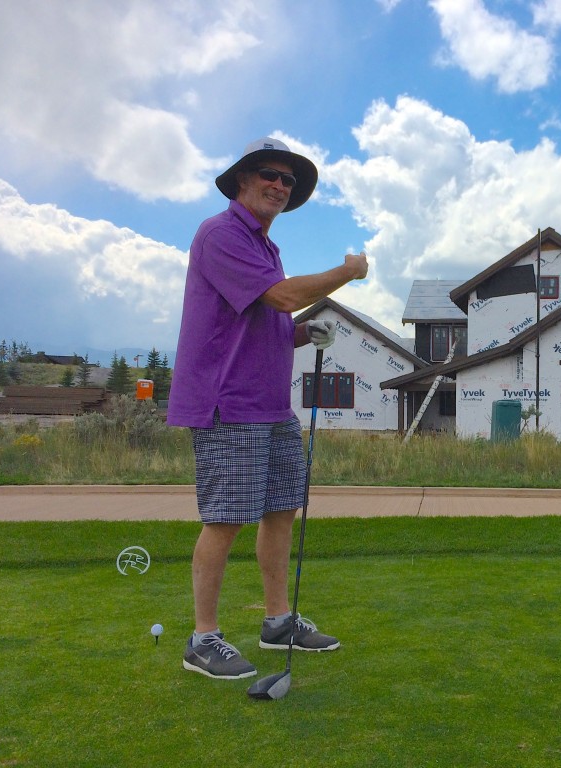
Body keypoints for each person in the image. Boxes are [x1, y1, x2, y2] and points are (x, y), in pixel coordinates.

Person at [167, 137, 369, 680]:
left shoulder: (265, 247)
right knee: (226, 519)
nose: (280, 185)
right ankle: (202, 640)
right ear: (241, 180)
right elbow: (279, 297)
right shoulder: (221, 233)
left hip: (270, 406)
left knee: (282, 509)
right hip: (227, 402)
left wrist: (304, 334)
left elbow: (269, 318)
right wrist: (346, 271)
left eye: (288, 180)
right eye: (269, 174)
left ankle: (278, 619)